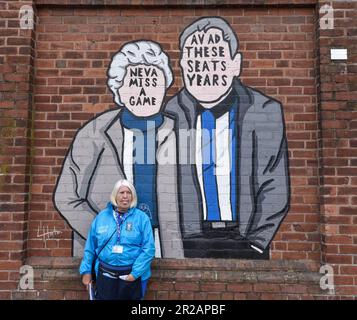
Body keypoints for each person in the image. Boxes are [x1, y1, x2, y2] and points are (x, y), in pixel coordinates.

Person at [165, 17, 290, 259]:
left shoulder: (265, 110)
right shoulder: (170, 113)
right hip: (189, 239)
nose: (204, 69)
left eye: (216, 60)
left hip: (246, 238)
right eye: (193, 60)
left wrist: (257, 241)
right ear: (182, 64)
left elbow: (274, 184)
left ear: (235, 64)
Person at [54, 40, 184, 259]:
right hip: (105, 245)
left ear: (165, 87)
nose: (144, 90)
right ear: (118, 91)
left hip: (162, 241)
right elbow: (67, 197)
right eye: (134, 83)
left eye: (153, 82)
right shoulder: (95, 132)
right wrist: (106, 234)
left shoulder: (179, 131)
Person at [79, 179, 155, 300]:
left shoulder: (142, 218)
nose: (125, 196)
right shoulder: (102, 217)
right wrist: (86, 271)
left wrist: (134, 274)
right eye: (121, 192)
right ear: (115, 195)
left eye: (128, 193)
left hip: (132, 275)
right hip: (105, 275)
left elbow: (149, 249)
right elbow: (90, 247)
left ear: (133, 196)